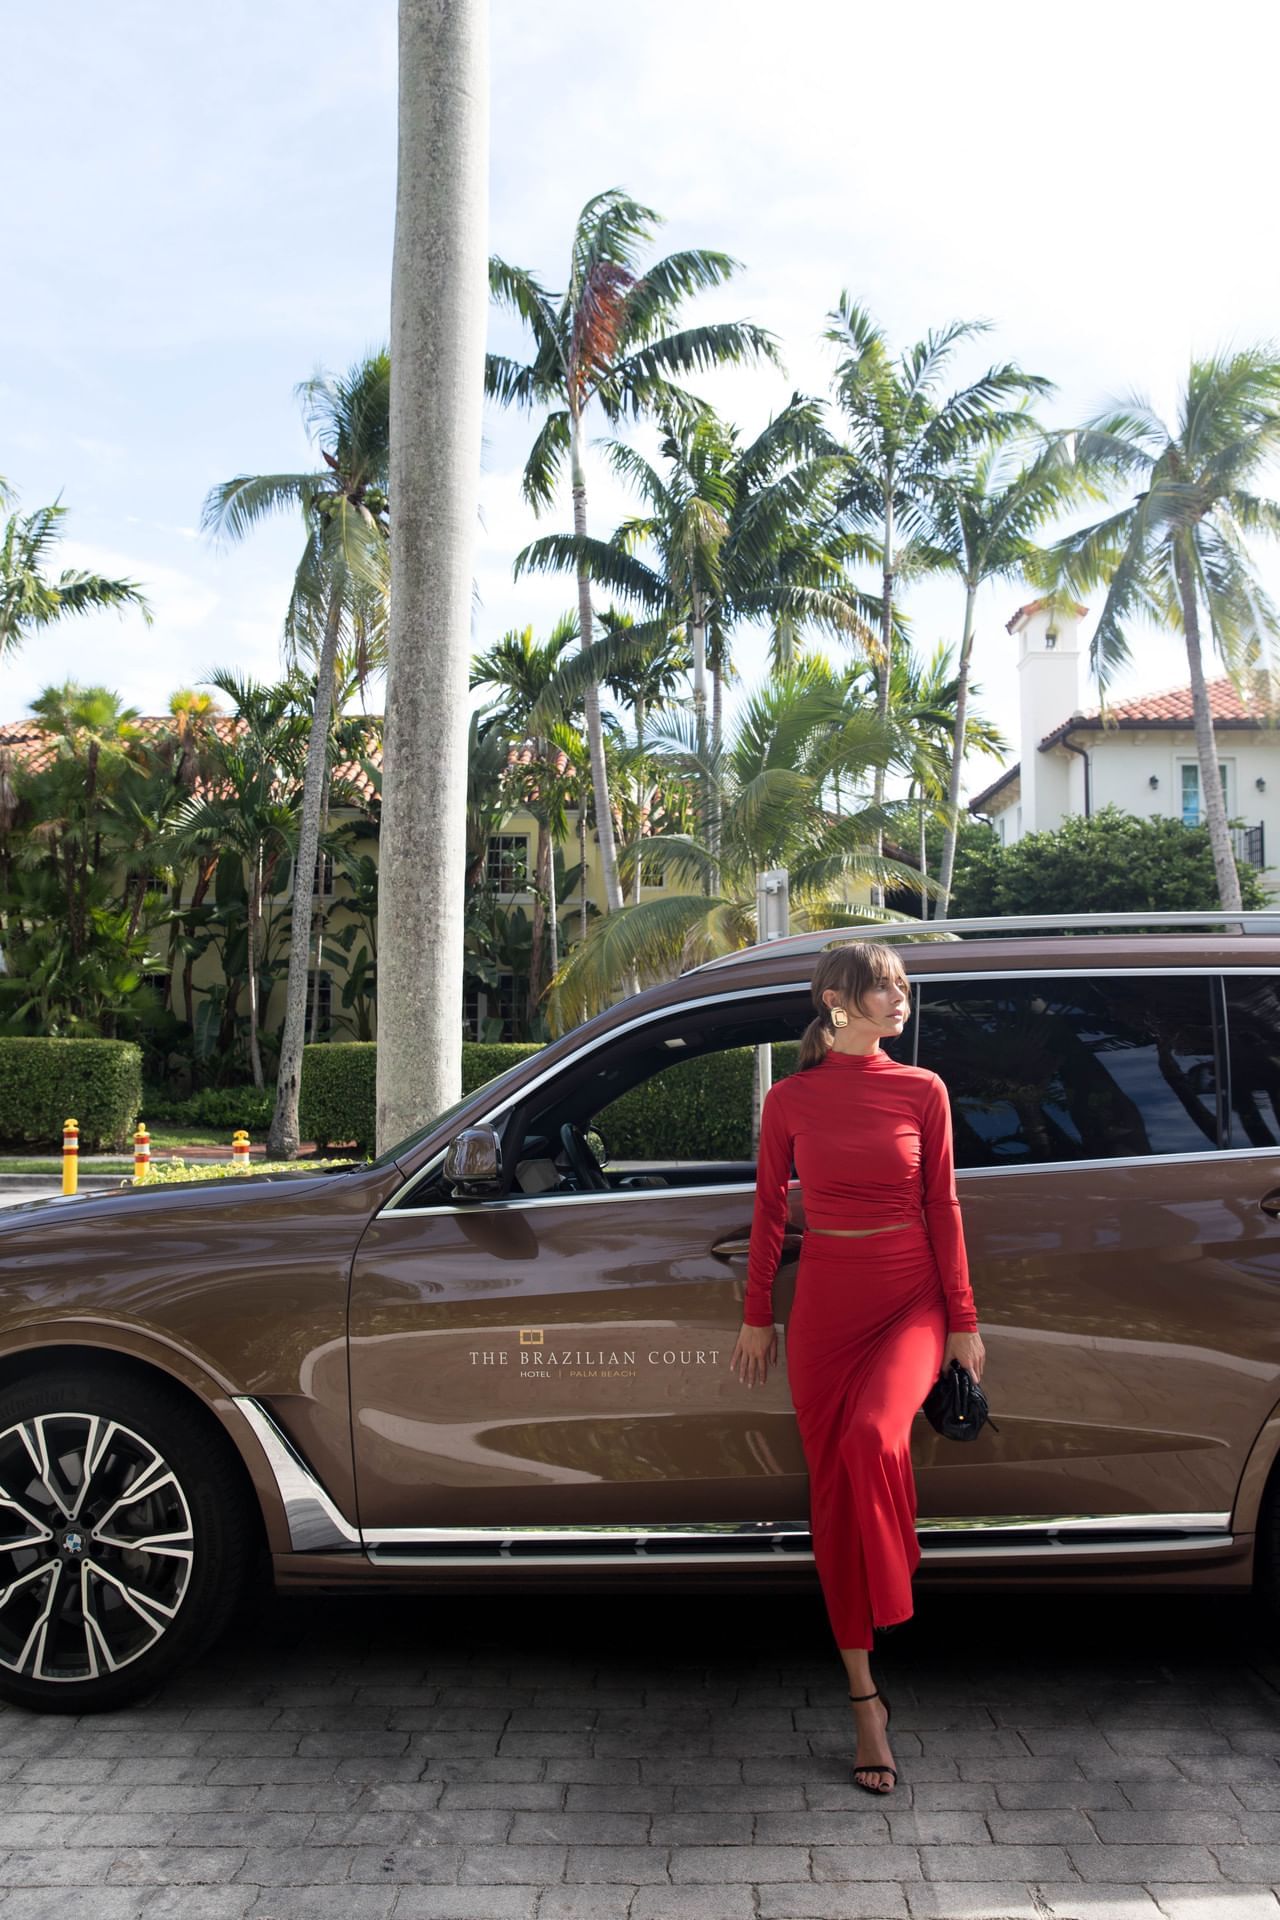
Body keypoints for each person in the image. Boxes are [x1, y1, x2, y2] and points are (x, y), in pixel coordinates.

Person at [729, 941, 985, 1794]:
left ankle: (893, 1571)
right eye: (888, 986)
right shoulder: (789, 1100)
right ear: (840, 998)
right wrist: (757, 1315)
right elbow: (769, 1214)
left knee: (877, 1441)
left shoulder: (924, 1090)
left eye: (905, 987)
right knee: (833, 1499)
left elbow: (942, 1204)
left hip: (909, 1296)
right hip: (827, 1309)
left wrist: (962, 1320)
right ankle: (864, 1698)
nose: (902, 999)